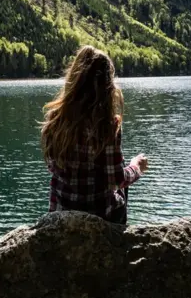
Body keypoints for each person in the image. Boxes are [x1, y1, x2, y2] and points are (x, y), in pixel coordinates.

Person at [40, 45, 148, 224]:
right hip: (100, 217)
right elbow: (117, 179)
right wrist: (136, 167)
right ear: (107, 86)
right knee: (122, 177)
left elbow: (52, 167)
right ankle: (118, 239)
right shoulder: (108, 125)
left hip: (60, 215)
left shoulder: (55, 119)